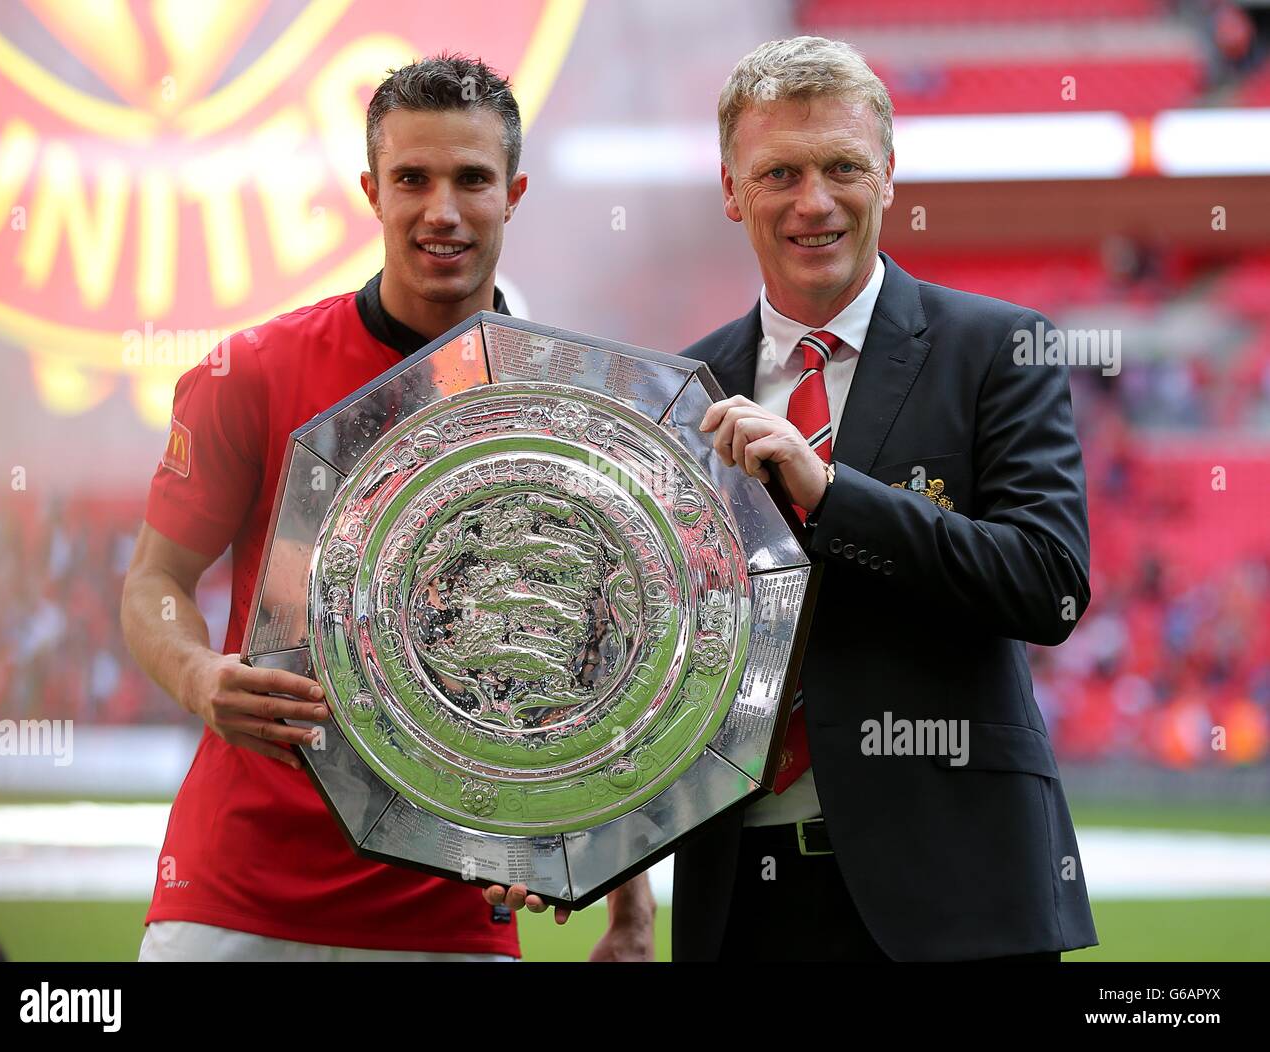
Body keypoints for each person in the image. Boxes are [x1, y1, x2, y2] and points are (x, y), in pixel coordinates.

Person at [121, 54, 654, 962]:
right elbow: (154, 583)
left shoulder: (567, 413)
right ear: (372, 190)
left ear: (514, 192)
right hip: (238, 900)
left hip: (455, 906)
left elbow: (596, 674)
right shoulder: (252, 372)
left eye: (471, 179)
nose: (440, 211)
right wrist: (198, 676)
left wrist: (632, 908)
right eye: (412, 178)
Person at [674, 36, 1097, 961]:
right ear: (732, 189)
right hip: (740, 901)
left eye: (842, 167)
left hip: (958, 893)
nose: (812, 201)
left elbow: (1049, 584)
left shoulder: (999, 349)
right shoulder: (682, 390)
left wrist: (832, 496)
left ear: (891, 174)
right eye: (779, 171)